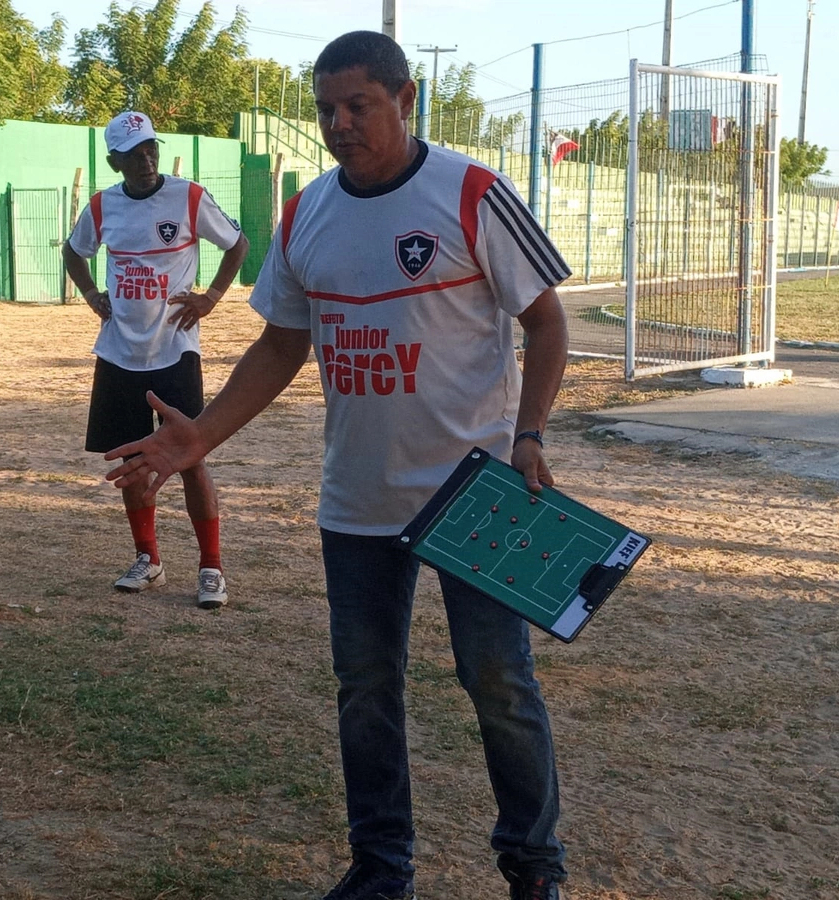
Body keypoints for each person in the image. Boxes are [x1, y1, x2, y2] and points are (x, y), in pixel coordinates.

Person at [105, 31, 572, 900]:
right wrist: (199, 435)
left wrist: (530, 434)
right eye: (325, 109)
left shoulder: (470, 191)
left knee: (499, 681)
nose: (339, 124)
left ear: (405, 98)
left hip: (477, 492)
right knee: (365, 689)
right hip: (356, 503)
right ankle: (381, 868)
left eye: (358, 105)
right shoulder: (305, 213)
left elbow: (547, 322)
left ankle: (534, 870)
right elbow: (282, 343)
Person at [62, 110, 249, 609]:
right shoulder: (103, 208)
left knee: (192, 458)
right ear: (114, 160)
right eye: (134, 154)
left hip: (175, 352)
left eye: (151, 150)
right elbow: (73, 251)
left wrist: (210, 297)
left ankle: (211, 568)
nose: (146, 161)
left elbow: (238, 243)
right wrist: (89, 293)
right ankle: (149, 560)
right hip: (119, 354)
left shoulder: (188, 197)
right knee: (130, 462)